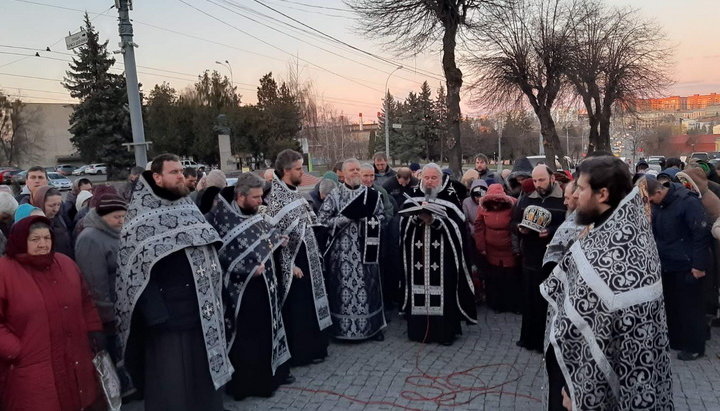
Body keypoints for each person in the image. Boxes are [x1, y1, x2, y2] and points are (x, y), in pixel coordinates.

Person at [542, 158, 672, 410]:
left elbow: (598, 339)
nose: (575, 195)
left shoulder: (612, 256)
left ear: (602, 194)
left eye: (581, 188)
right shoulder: (624, 230)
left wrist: (578, 395)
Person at [115, 154, 232, 411]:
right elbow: (133, 273)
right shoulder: (139, 220)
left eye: (181, 171)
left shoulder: (188, 207)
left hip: (203, 312)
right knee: (172, 383)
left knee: (203, 378)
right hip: (167, 320)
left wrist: (219, 294)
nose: (181, 176)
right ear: (157, 177)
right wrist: (157, 316)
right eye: (174, 172)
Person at [0, 215, 103, 410]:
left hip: (75, 355)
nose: (42, 244)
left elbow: (85, 301)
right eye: (35, 239)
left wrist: (94, 330)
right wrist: (15, 349)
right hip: (30, 365)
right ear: (21, 240)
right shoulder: (4, 271)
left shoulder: (65, 264)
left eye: (47, 238)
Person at [205, 173, 292, 400]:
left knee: (265, 332)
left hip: (265, 288)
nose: (260, 202)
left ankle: (268, 378)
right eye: (255, 198)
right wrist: (247, 270)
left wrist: (278, 238)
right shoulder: (219, 218)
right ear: (240, 196)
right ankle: (243, 385)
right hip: (239, 292)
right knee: (245, 338)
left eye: (261, 197)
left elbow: (264, 233)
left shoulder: (254, 212)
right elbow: (216, 257)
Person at [266, 149, 332, 365]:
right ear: (286, 170)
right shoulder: (276, 198)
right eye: (297, 168)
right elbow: (275, 236)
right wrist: (290, 264)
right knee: (299, 308)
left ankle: (315, 348)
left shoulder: (293, 192)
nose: (301, 172)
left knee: (311, 304)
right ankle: (302, 352)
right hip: (293, 262)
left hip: (308, 258)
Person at [399, 163, 477, 345]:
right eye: (426, 177)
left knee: (445, 293)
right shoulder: (412, 197)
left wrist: (435, 221)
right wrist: (415, 219)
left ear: (441, 180)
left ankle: (444, 333)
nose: (429, 181)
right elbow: (402, 227)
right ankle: (418, 332)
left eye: (434, 178)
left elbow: (458, 228)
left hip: (443, 260)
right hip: (417, 260)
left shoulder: (450, 198)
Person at [318, 159, 387, 341]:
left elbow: (381, 217)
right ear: (343, 173)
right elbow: (321, 222)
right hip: (342, 255)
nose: (356, 172)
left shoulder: (371, 195)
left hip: (366, 252)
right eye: (352, 170)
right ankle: (342, 330)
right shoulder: (334, 195)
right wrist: (343, 220)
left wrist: (367, 220)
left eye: (358, 169)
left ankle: (372, 328)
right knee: (342, 291)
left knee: (369, 288)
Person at [647, 175, 711, 361]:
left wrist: (699, 265)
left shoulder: (688, 202)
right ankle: (676, 340)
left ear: (659, 191)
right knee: (673, 305)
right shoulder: (659, 205)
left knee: (691, 307)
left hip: (688, 263)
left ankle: (694, 346)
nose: (649, 203)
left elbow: (700, 233)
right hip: (668, 262)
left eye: (651, 199)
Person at [511, 165, 566, 352]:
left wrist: (550, 232)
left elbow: (569, 225)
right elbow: (513, 221)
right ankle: (528, 339)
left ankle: (546, 342)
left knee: (547, 301)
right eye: (535, 180)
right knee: (529, 299)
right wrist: (520, 228)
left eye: (541, 180)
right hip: (530, 256)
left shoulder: (563, 199)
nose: (538, 184)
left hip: (552, 259)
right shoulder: (527, 198)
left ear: (552, 178)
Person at [474, 183, 519, 312]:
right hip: (491, 249)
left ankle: (511, 304)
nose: (495, 204)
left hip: (509, 249)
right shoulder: (482, 208)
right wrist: (481, 246)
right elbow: (478, 226)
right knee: (495, 279)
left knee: (510, 278)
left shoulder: (513, 205)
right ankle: (496, 304)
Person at [30, 186, 73, 258]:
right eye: (51, 205)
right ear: (40, 203)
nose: (56, 209)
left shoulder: (60, 219)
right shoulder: (32, 225)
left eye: (58, 204)